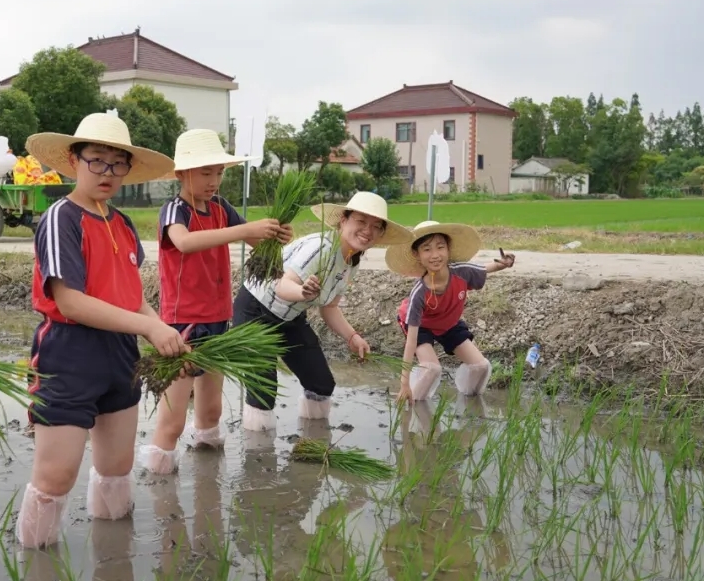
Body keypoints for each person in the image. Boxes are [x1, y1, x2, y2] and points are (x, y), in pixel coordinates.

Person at [17, 112, 189, 548]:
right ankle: (36, 560)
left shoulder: (123, 224)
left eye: (118, 163)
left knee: (117, 467)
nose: (107, 172)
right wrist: (147, 328)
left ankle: (113, 558)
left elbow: (132, 296)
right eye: (97, 160)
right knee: (56, 476)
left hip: (120, 354)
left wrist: (160, 326)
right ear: (74, 160)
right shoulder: (61, 218)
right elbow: (69, 300)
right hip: (68, 353)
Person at [139, 129, 291, 475]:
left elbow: (256, 243)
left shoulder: (221, 207)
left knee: (211, 413)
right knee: (174, 419)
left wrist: (275, 236)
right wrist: (242, 231)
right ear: (182, 174)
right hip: (184, 323)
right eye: (206, 172)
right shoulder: (174, 209)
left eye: (219, 172)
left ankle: (208, 486)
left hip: (220, 320)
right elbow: (185, 242)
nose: (214, 180)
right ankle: (160, 482)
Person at [233, 191, 413, 432]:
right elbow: (282, 285)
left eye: (375, 226)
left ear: (380, 234)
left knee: (321, 383)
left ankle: (314, 442)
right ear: (344, 221)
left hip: (290, 316)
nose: (367, 231)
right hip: (256, 310)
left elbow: (329, 307)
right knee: (263, 392)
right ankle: (258, 459)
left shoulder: (352, 260)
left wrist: (352, 336)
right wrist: (303, 292)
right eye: (360, 222)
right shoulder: (321, 248)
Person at [385, 221, 516, 404]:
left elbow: (486, 268)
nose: (435, 255)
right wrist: (404, 383)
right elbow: (411, 341)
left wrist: (504, 263)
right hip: (421, 325)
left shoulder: (461, 272)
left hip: (448, 322)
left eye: (440, 247)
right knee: (431, 369)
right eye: (427, 249)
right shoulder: (419, 294)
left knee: (481, 367)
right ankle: (411, 402)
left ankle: (470, 406)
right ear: (417, 254)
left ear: (448, 249)